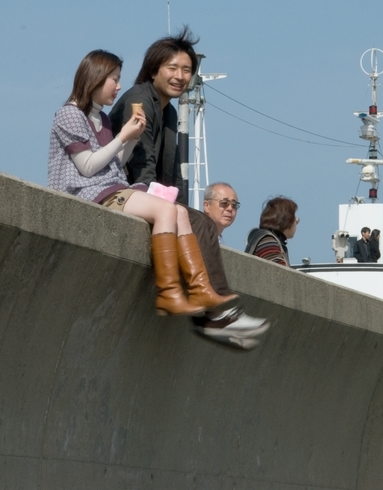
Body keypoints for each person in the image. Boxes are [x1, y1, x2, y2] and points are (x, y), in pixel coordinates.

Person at [110, 28, 269, 346]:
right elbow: (141, 169)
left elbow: (173, 178)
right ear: (153, 69)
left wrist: (182, 209)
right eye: (172, 67)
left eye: (186, 70)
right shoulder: (139, 101)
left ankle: (215, 314)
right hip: (123, 193)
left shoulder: (167, 111)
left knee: (199, 222)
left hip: (147, 194)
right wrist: (178, 212)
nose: (180, 76)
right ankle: (216, 315)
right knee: (198, 222)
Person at [48, 49, 237, 316]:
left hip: (109, 189)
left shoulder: (102, 118)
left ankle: (200, 289)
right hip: (88, 192)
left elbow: (113, 164)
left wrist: (132, 138)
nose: (118, 86)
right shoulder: (70, 115)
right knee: (166, 210)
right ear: (96, 78)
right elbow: (87, 167)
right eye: (114, 79)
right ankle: (169, 293)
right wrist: (122, 136)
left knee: (181, 212)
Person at [245, 196, 298, 267]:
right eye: (294, 216)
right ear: (286, 219)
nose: (296, 220)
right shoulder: (267, 240)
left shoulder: (268, 239)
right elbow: (279, 271)